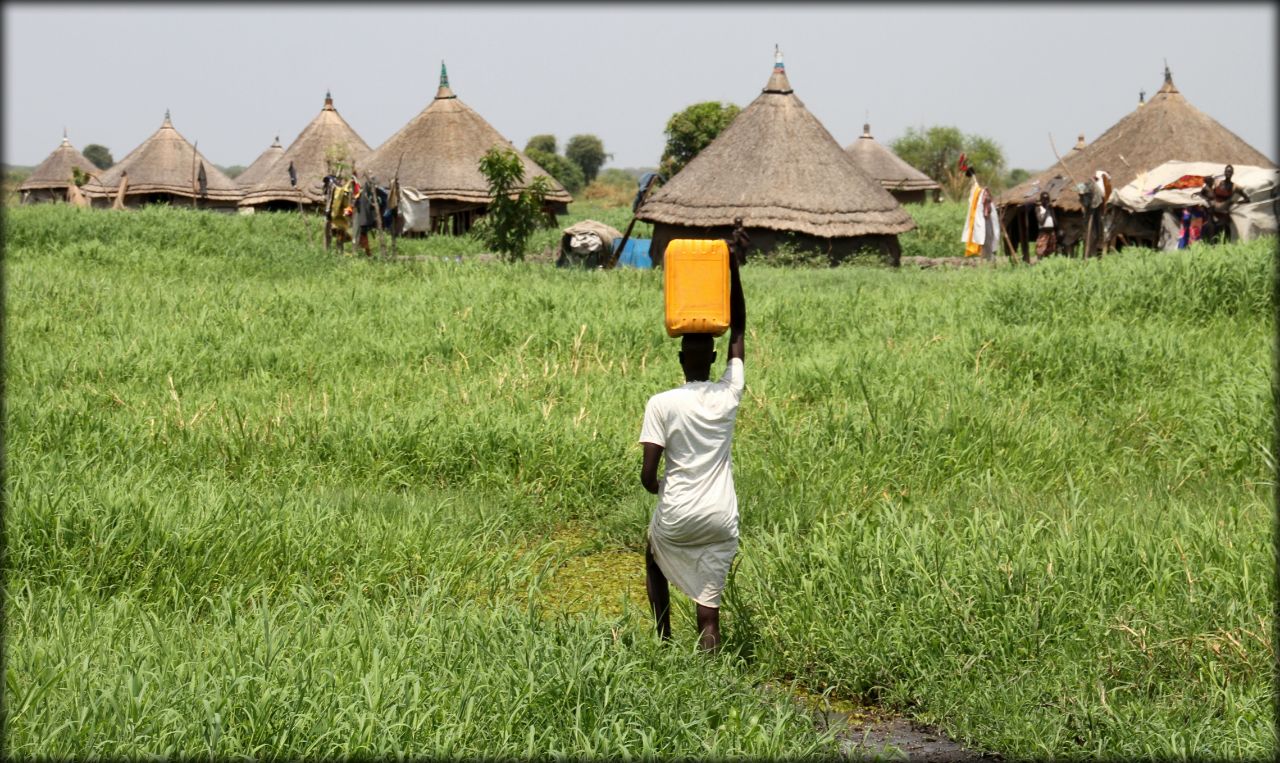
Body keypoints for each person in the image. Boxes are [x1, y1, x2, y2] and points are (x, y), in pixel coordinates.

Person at [638, 226, 747, 653]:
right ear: (715, 357)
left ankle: (663, 642)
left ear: (681, 358)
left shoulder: (661, 403)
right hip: (722, 518)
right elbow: (739, 330)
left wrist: (663, 487)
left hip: (680, 515)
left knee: (652, 556)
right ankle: (712, 676)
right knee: (709, 610)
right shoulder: (729, 394)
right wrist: (732, 272)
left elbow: (649, 476)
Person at [961, 166, 999, 258]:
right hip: (977, 219)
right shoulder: (975, 190)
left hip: (985, 220)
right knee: (980, 239)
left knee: (986, 241)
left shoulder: (980, 191)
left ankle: (989, 259)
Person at [1206, 164, 1251, 243]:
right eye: (1227, 171)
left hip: (1223, 214)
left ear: (1232, 173)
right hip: (1213, 212)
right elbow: (1208, 187)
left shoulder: (1235, 187)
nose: (1228, 173)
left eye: (1230, 172)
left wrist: (1235, 202)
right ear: (1224, 172)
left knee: (1222, 236)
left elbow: (1247, 199)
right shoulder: (1217, 183)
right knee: (1211, 235)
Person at [1034, 192, 1057, 258]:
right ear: (1041, 200)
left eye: (1047, 199)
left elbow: (1055, 222)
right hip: (1043, 232)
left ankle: (1047, 263)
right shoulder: (1038, 208)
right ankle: (1039, 263)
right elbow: (1041, 222)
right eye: (1044, 199)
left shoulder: (1050, 209)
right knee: (1040, 250)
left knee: (1051, 250)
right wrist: (1047, 210)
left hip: (1051, 232)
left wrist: (1051, 211)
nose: (1046, 201)